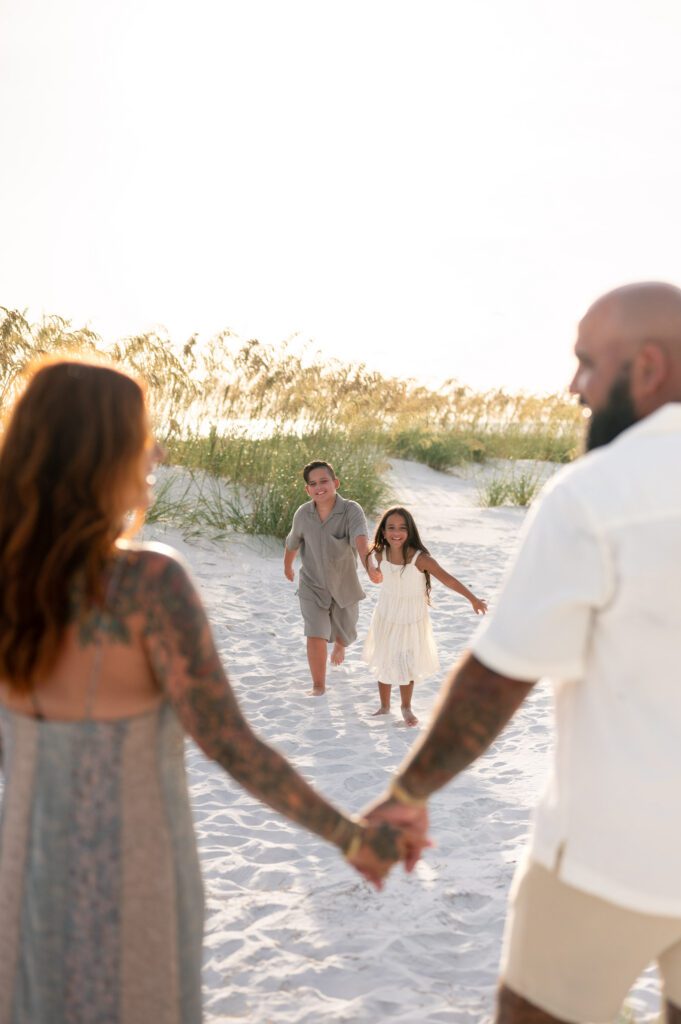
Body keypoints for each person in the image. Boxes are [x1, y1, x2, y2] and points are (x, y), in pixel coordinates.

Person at [0, 358, 414, 1024]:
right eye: (143, 437)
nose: (157, 452)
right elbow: (230, 745)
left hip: (23, 873)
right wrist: (348, 836)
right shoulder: (146, 586)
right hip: (136, 874)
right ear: (101, 454)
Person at [364, 283, 681, 1024]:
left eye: (584, 365)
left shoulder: (596, 494)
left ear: (646, 367)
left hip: (612, 849)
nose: (571, 388)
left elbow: (498, 677)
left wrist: (408, 794)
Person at [363, 506, 487, 726]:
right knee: (384, 657)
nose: (396, 532)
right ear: (383, 531)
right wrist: (372, 571)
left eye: (402, 528)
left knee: (405, 661)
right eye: (390, 527)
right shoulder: (380, 553)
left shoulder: (420, 559)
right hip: (386, 614)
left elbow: (448, 580)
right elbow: (368, 558)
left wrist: (472, 599)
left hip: (410, 618)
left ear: (410, 531)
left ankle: (406, 706)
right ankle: (384, 705)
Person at [284, 460, 380, 695]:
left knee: (346, 630)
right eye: (313, 484)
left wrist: (370, 568)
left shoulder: (351, 510)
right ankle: (318, 685)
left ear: (335, 483)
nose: (319, 487)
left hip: (344, 585)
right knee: (315, 631)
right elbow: (292, 542)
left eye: (324, 481)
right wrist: (288, 567)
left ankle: (340, 644)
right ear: (307, 489)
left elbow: (360, 541)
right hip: (312, 585)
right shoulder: (303, 514)